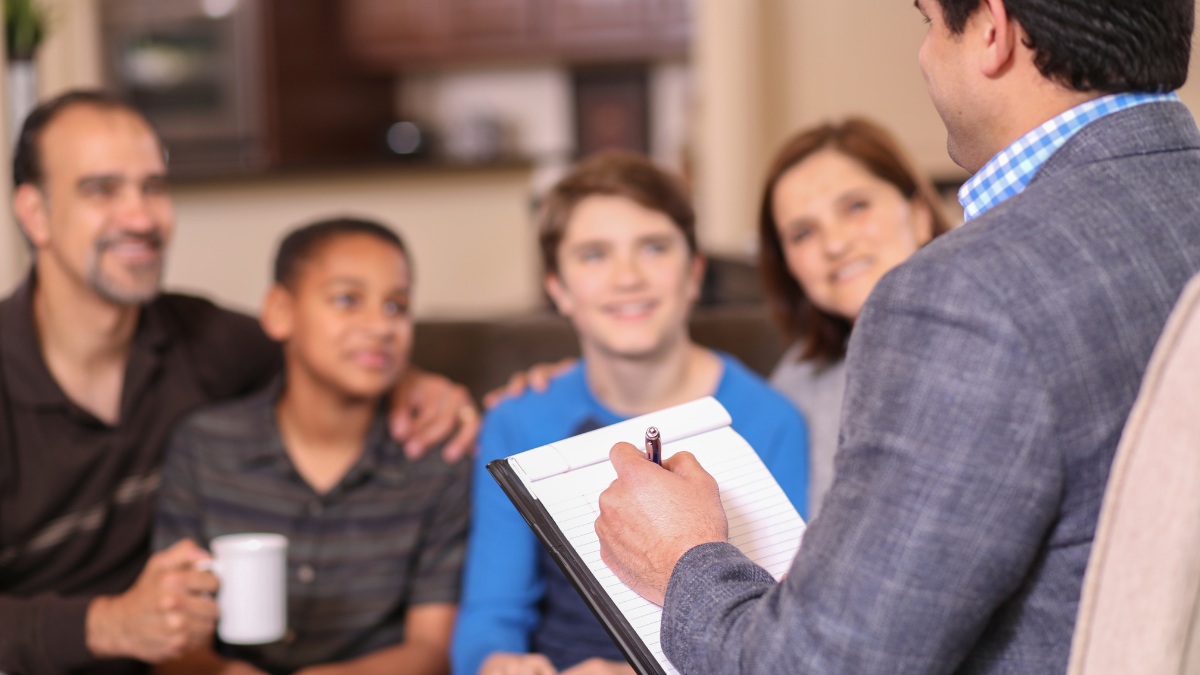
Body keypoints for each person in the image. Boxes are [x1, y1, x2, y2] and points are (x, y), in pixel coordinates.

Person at [594, 0, 1200, 672]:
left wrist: (681, 559)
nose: (924, 55)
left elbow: (825, 663)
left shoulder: (966, 295)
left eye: (928, 23)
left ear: (991, 30)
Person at [0, 90, 477, 675]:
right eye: (102, 189)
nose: (141, 217)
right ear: (34, 213)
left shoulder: (207, 339)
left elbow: (327, 349)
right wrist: (109, 623)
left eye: (153, 187)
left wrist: (413, 382)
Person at [451, 152, 808, 675]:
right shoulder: (516, 420)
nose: (627, 277)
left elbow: (782, 628)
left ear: (694, 273)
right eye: (594, 255)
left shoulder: (770, 419)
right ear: (557, 288)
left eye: (654, 248)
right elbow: (490, 618)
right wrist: (498, 664)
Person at [154, 217, 469, 675]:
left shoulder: (438, 463)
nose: (380, 326)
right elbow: (175, 636)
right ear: (280, 311)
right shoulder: (204, 448)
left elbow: (431, 650)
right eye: (347, 300)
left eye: (396, 306)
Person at [759, 118, 954, 517]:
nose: (835, 244)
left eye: (855, 207)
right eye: (803, 233)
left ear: (918, 216)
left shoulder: (997, 341)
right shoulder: (794, 385)